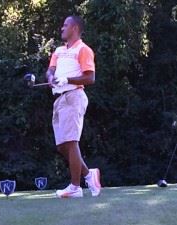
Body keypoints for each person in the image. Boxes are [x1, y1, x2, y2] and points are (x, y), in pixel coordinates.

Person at [46, 16, 101, 197]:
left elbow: (90, 77)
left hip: (74, 96)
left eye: (65, 25)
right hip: (59, 99)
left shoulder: (83, 49)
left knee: (71, 142)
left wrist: (67, 79)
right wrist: (50, 78)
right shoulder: (59, 51)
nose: (62, 28)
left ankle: (75, 187)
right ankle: (88, 174)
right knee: (62, 146)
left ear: (75, 28)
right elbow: (50, 69)